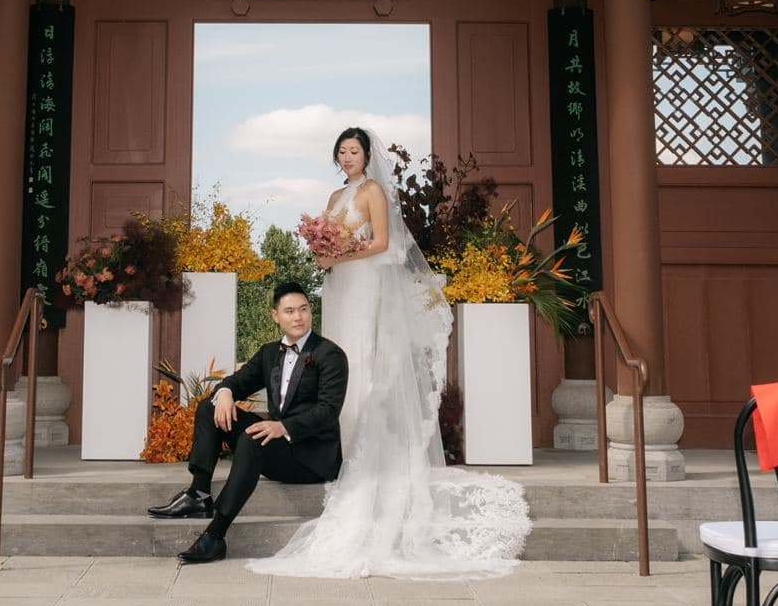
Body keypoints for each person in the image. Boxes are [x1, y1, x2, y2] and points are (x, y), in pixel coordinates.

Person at [250, 126, 529, 579]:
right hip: (338, 286)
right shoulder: (334, 195)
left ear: (366, 155)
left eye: (354, 151)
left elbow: (382, 243)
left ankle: (363, 443)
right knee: (335, 358)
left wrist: (338, 255)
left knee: (361, 356)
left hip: (364, 284)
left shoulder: (374, 191)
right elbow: (328, 240)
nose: (347, 157)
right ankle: (333, 436)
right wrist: (323, 252)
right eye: (341, 151)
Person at [146, 282, 348, 564]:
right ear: (275, 316)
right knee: (210, 405)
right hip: (279, 445)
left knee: (253, 438)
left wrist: (283, 427)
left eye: (303, 309)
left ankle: (216, 534)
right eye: (289, 311)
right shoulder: (269, 353)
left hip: (311, 457)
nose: (298, 317)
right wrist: (226, 392)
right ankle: (199, 493)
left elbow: (328, 411)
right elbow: (237, 382)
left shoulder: (330, 355)